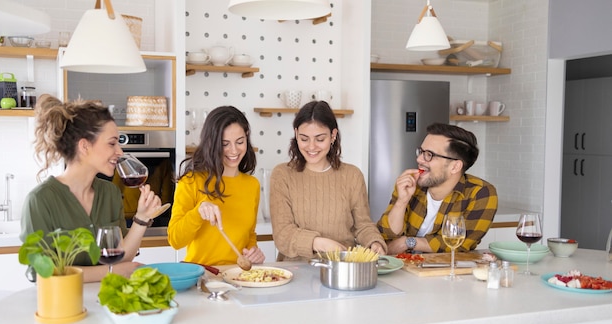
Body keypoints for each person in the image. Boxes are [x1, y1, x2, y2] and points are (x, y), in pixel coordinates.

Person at [20, 94, 163, 282]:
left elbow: (122, 256)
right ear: (84, 146)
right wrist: (113, 272)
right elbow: (43, 273)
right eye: (112, 143)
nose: (119, 152)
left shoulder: (110, 193)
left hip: (108, 300)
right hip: (62, 304)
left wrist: (142, 218)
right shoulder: (40, 200)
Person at [270, 101, 387, 261]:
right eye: (304, 139)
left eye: (320, 139)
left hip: (342, 270)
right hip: (297, 273)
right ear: (296, 134)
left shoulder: (352, 175)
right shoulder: (282, 174)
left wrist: (374, 242)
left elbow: (363, 225)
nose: (311, 147)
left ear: (333, 135)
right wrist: (319, 243)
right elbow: (283, 234)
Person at [377, 123, 498, 254]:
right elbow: (385, 236)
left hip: (444, 271)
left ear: (455, 167)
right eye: (421, 152)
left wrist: (407, 242)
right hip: (403, 269)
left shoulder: (481, 193)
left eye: (429, 154)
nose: (419, 159)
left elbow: (460, 244)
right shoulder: (410, 184)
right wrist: (401, 201)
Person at [168, 106, 265, 266]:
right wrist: (198, 212)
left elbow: (249, 235)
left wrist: (253, 251)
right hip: (202, 275)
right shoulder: (192, 181)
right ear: (211, 144)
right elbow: (175, 240)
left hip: (238, 276)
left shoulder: (252, 185)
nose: (233, 150)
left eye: (240, 142)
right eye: (224, 144)